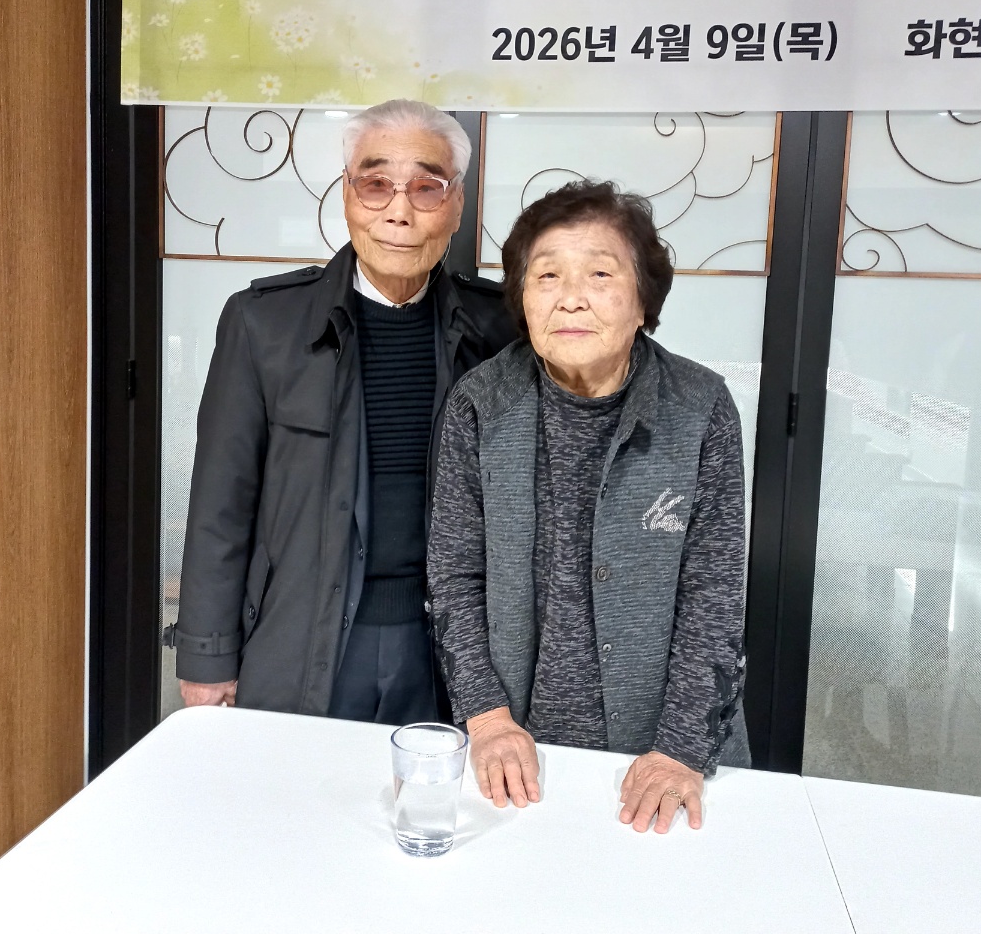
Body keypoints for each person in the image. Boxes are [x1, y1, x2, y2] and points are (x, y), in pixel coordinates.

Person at [167, 99, 514, 724]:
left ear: (457, 204)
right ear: (347, 194)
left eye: (427, 188)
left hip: (451, 650)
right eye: (376, 184)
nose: (399, 212)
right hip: (300, 638)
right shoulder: (265, 323)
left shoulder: (498, 329)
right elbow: (221, 500)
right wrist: (207, 655)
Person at [428, 179, 750, 834]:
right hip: (517, 756)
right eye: (547, 275)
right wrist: (487, 720)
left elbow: (714, 593)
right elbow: (453, 577)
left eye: (600, 274)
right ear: (522, 298)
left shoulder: (699, 407)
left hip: (661, 760)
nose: (570, 297)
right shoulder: (479, 404)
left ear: (643, 300)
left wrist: (679, 749)